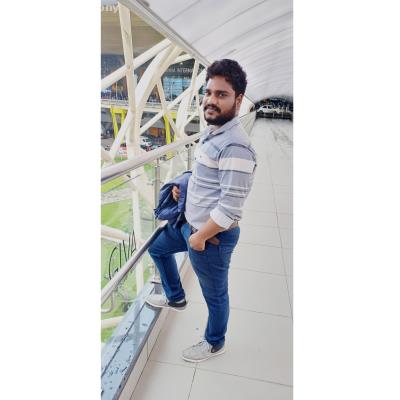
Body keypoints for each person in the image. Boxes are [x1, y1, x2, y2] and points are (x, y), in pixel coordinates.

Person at [146, 59, 257, 362]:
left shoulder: (236, 147)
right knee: (156, 248)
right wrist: (185, 190)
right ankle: (175, 297)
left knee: (215, 295)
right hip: (189, 225)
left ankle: (214, 342)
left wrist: (199, 238)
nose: (211, 100)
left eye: (221, 94)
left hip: (210, 238)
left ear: (238, 100)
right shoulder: (214, 132)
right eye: (208, 92)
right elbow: (207, 177)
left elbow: (231, 207)